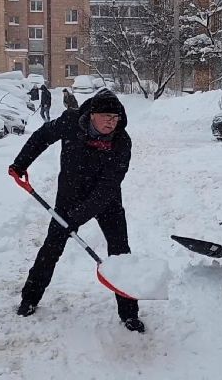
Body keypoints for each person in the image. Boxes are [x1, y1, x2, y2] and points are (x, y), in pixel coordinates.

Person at [8, 89, 145, 333]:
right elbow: (42, 136)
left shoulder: (121, 141)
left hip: (106, 200)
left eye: (115, 117)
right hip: (69, 196)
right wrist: (21, 163)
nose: (111, 122)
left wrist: (75, 219)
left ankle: (129, 313)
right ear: (92, 114)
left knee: (120, 251)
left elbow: (108, 187)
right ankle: (29, 299)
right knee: (51, 247)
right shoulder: (70, 122)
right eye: (106, 116)